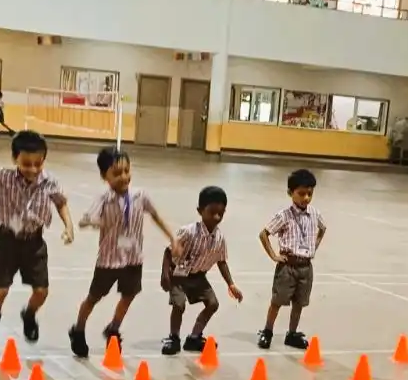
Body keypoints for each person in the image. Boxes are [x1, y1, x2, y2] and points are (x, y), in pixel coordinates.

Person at [69, 147, 178, 358]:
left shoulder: (140, 196)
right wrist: (91, 222)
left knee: (129, 295)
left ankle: (113, 328)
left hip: (133, 258)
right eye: (117, 173)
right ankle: (78, 329)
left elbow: (156, 216)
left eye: (127, 171)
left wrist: (172, 238)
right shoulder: (104, 199)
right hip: (108, 260)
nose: (124, 177)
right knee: (93, 297)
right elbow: (85, 220)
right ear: (105, 176)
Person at [0, 130, 73, 342]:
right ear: (14, 158)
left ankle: (29, 314)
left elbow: (61, 203)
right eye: (26, 164)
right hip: (7, 241)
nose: (33, 169)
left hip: (34, 243)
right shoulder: (5, 177)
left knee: (41, 291)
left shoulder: (50, 182)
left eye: (38, 164)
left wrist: (69, 226)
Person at [161, 186, 241, 355]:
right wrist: (165, 274)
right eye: (212, 212)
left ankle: (194, 337)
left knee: (213, 304)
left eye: (221, 213)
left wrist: (231, 284)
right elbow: (168, 251)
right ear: (200, 211)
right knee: (179, 305)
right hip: (178, 275)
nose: (216, 217)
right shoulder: (188, 232)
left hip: (199, 277)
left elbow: (222, 262)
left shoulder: (220, 238)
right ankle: (174, 338)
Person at [257, 168, 326, 350]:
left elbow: (323, 228)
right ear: (290, 192)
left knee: (299, 303)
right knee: (277, 301)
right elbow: (264, 234)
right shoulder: (284, 215)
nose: (306, 198)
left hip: (306, 267)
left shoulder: (315, 214)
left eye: (310, 194)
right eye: (301, 193)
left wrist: (314, 246)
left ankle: (292, 334)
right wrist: (274, 256)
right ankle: (267, 331)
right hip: (288, 266)